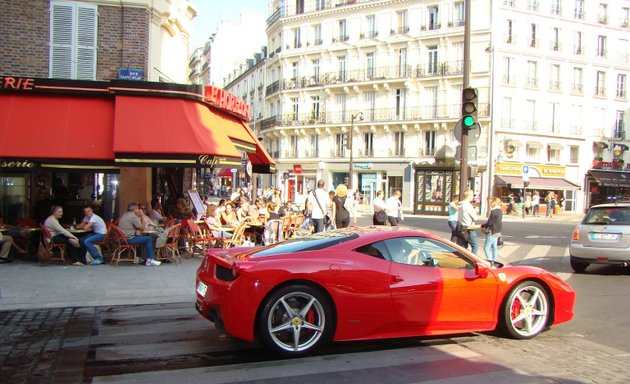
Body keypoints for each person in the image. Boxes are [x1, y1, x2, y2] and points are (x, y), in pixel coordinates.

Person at [481, 197, 503, 263]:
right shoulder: (500, 211)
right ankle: (495, 260)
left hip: (492, 231)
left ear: (493, 203)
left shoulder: (493, 211)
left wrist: (482, 225)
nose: (489, 204)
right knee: (494, 247)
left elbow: (489, 223)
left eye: (490, 203)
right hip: (498, 231)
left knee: (486, 248)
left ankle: (490, 261)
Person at [457, 190, 479, 255]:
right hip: (469, 227)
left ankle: (462, 259)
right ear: (468, 196)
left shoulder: (460, 204)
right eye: (472, 195)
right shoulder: (468, 206)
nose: (473, 197)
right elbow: (475, 218)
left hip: (461, 226)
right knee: (475, 245)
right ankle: (474, 260)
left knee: (463, 246)